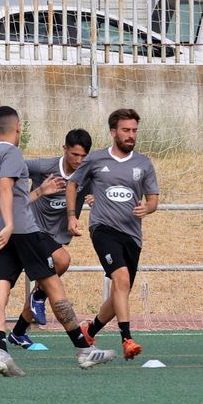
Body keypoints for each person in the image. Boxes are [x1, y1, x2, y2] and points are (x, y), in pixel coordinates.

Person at [0, 106, 115, 377]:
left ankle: (2, 353)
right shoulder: (12, 153)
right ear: (18, 127)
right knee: (54, 285)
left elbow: (13, 196)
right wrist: (10, 225)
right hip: (22, 232)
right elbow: (6, 188)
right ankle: (84, 350)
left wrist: (39, 192)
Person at [65, 108, 160, 361]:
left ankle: (89, 331)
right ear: (113, 132)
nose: (131, 135)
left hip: (132, 235)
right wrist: (72, 216)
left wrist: (147, 208)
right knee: (121, 279)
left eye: (134, 131)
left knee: (122, 289)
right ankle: (127, 339)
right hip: (103, 229)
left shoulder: (143, 164)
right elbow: (72, 183)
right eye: (126, 130)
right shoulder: (96, 159)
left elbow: (153, 200)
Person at [8, 128, 92, 348]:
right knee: (62, 260)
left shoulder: (86, 174)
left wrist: (95, 197)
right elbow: (11, 170)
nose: (78, 160)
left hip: (56, 236)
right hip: (32, 230)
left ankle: (18, 332)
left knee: (44, 287)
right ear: (64, 149)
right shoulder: (43, 167)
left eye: (83, 156)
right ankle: (81, 346)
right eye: (74, 154)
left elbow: (100, 189)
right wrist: (29, 193)